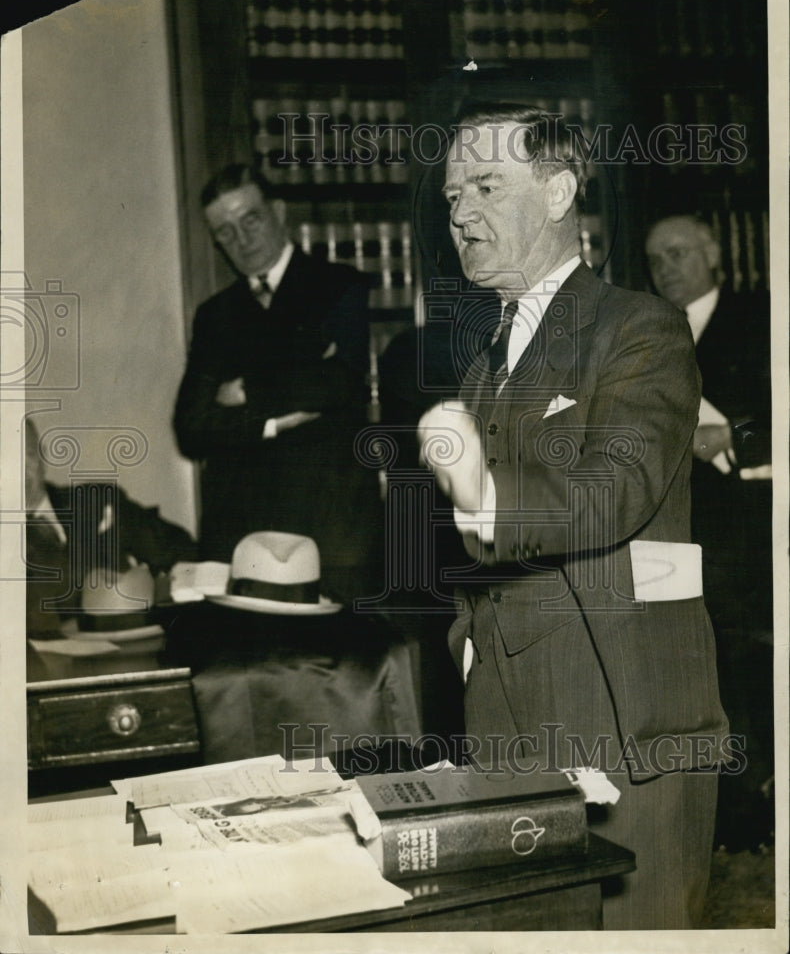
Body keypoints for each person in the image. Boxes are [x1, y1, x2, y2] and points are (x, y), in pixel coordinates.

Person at [417, 104, 728, 930]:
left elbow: (614, 488)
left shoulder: (639, 327)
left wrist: (483, 494)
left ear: (558, 192)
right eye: (452, 196)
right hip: (505, 722)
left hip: (620, 715)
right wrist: (471, 643)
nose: (460, 213)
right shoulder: (485, 366)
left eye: (485, 184)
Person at [173, 164, 382, 604]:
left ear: (278, 211)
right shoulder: (215, 316)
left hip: (330, 525)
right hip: (242, 529)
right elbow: (190, 427)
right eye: (225, 232)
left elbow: (338, 385)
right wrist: (272, 422)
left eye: (250, 220)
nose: (242, 240)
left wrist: (244, 390)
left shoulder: (338, 286)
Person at [645, 214, 773, 851]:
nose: (665, 267)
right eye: (654, 258)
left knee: (746, 668)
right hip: (671, 532)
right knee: (691, 673)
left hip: (747, 533)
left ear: (714, 254)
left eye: (678, 253)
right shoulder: (649, 334)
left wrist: (732, 437)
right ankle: (711, 808)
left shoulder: (764, 318)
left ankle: (752, 810)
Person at [25, 418, 197, 638]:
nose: (20, 471)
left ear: (43, 456)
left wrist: (148, 580)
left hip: (135, 642)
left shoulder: (96, 503)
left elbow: (181, 550)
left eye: (28, 456)